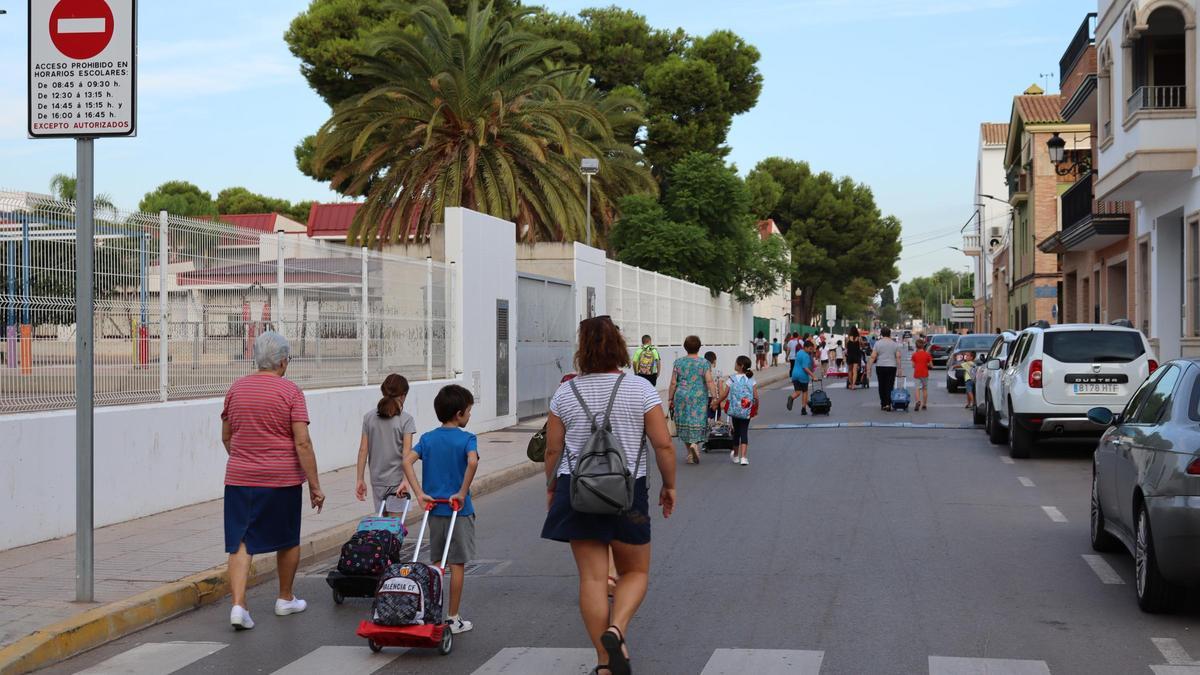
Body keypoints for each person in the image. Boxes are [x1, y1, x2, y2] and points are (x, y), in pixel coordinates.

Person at [542, 315, 676, 675]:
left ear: (581, 351)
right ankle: (617, 629)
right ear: (619, 346)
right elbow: (662, 443)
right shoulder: (641, 389)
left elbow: (552, 451)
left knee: (592, 579)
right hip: (628, 491)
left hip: (578, 490)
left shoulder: (565, 393)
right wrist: (670, 485)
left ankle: (604, 664)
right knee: (635, 572)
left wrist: (552, 487)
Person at [220, 331, 324, 631]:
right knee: (288, 537)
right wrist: (315, 485)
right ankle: (285, 598)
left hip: (239, 479)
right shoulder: (290, 392)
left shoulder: (236, 389)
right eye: (287, 360)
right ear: (282, 361)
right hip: (282, 479)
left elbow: (227, 436)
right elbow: (302, 443)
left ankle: (239, 606)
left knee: (240, 540)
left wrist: (245, 458)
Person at [401, 384, 479, 635]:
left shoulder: (428, 439)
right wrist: (463, 491)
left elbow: (407, 461)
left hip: (434, 510)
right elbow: (473, 461)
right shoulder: (468, 439)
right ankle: (453, 617)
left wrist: (419, 493)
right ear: (459, 414)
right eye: (468, 411)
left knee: (437, 563)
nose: (469, 416)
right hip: (459, 508)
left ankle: (432, 612)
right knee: (457, 563)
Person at [356, 374, 414, 515]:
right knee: (395, 528)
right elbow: (407, 453)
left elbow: (363, 450)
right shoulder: (406, 420)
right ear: (403, 396)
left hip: (377, 480)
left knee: (383, 528)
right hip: (397, 480)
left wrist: (360, 479)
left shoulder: (369, 417)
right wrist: (407, 480)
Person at [669, 336, 718, 465]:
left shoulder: (678, 362)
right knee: (697, 421)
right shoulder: (704, 363)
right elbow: (709, 381)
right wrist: (714, 397)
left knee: (685, 422)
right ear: (699, 347)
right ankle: (694, 445)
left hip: (682, 396)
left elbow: (673, 383)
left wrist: (669, 398)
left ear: (685, 347)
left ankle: (690, 454)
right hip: (698, 396)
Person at [721, 355, 758, 466]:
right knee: (744, 432)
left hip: (735, 410)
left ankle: (736, 456)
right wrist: (756, 409)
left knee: (736, 432)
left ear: (740, 366)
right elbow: (756, 397)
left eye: (736, 363)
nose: (735, 365)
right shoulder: (751, 380)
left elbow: (724, 394)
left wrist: (716, 402)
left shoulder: (731, 379)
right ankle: (744, 458)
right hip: (746, 410)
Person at [867, 327, 905, 412]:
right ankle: (888, 403)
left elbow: (873, 356)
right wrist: (900, 369)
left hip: (880, 366)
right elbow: (898, 356)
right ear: (889, 334)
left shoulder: (877, 343)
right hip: (892, 366)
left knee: (881, 385)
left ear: (881, 334)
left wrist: (869, 368)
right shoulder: (894, 344)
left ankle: (883, 404)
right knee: (890, 385)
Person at [786, 341, 815, 414]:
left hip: (795, 374)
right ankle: (803, 409)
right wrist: (813, 376)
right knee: (805, 392)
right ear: (805, 347)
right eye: (810, 349)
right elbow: (805, 368)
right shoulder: (806, 356)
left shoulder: (799, 352)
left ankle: (791, 397)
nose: (811, 351)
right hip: (803, 376)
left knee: (798, 392)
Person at [911, 339, 933, 412]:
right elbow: (931, 365)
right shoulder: (927, 354)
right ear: (923, 346)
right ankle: (924, 404)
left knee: (917, 389)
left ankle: (917, 401)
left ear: (916, 346)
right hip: (924, 374)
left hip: (917, 373)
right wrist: (926, 364)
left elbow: (913, 365)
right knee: (924, 389)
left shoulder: (914, 355)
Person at [704, 351, 725, 421]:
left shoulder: (703, 371)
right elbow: (720, 388)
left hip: (704, 398)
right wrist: (721, 401)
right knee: (717, 419)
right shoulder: (718, 372)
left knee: (705, 418)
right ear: (715, 361)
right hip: (715, 398)